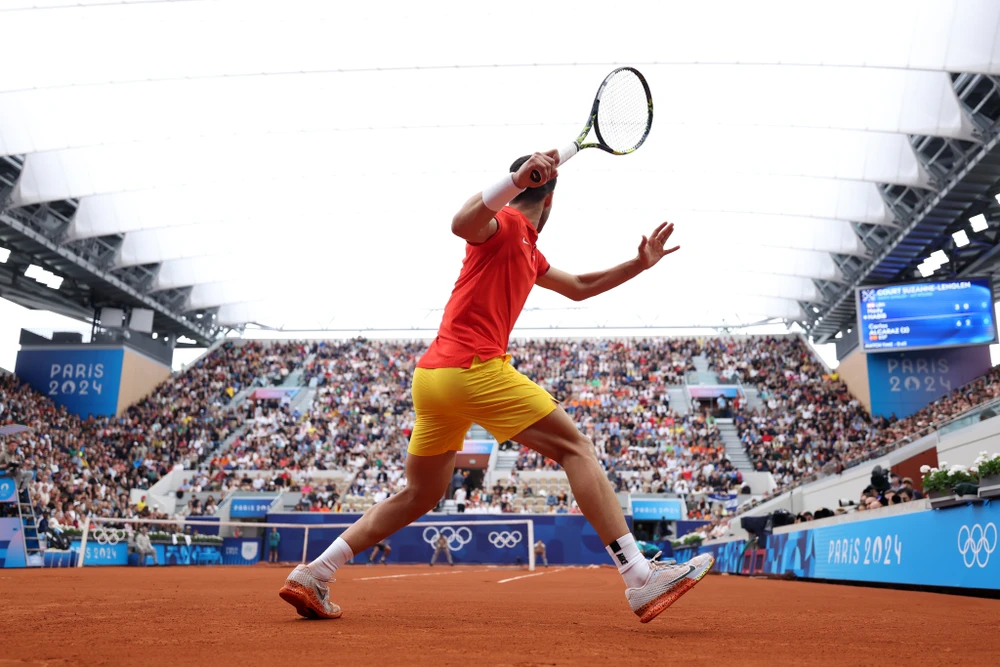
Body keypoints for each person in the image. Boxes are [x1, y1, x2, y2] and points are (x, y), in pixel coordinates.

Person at [280, 149, 714, 622]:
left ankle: (315, 573)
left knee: (420, 494)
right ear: (549, 201)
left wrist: (638, 264)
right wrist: (514, 182)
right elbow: (461, 223)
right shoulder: (504, 224)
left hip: (432, 379)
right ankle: (639, 575)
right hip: (475, 369)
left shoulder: (529, 249)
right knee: (576, 449)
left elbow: (579, 286)